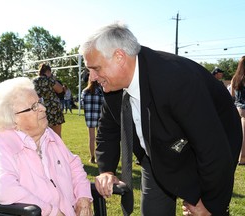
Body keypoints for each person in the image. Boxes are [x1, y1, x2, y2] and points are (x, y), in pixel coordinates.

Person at [79, 22, 242, 216]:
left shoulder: (176, 79)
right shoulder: (112, 86)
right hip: (156, 154)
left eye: (95, 68)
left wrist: (210, 205)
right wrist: (107, 170)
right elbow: (108, 130)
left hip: (201, 153)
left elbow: (213, 148)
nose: (92, 76)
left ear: (119, 57)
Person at [0, 77, 93, 216]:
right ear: (12, 119)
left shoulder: (48, 134)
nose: (43, 108)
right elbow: (7, 190)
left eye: (40, 102)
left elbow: (74, 165)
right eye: (34, 106)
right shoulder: (4, 145)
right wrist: (51, 212)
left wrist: (83, 197)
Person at [33, 63, 65, 137]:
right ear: (48, 72)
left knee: (42, 136)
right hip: (54, 110)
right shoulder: (49, 80)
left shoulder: (34, 81)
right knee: (57, 136)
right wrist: (54, 79)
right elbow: (60, 90)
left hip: (40, 110)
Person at [81, 80, 104, 164]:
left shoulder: (85, 91)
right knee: (100, 138)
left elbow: (82, 103)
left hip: (89, 117)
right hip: (100, 117)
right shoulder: (101, 91)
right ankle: (100, 157)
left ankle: (92, 157)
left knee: (91, 138)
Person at [230, 56, 245, 166]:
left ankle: (239, 157)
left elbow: (232, 96)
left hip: (238, 108)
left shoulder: (235, 78)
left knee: (239, 134)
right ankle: (242, 158)